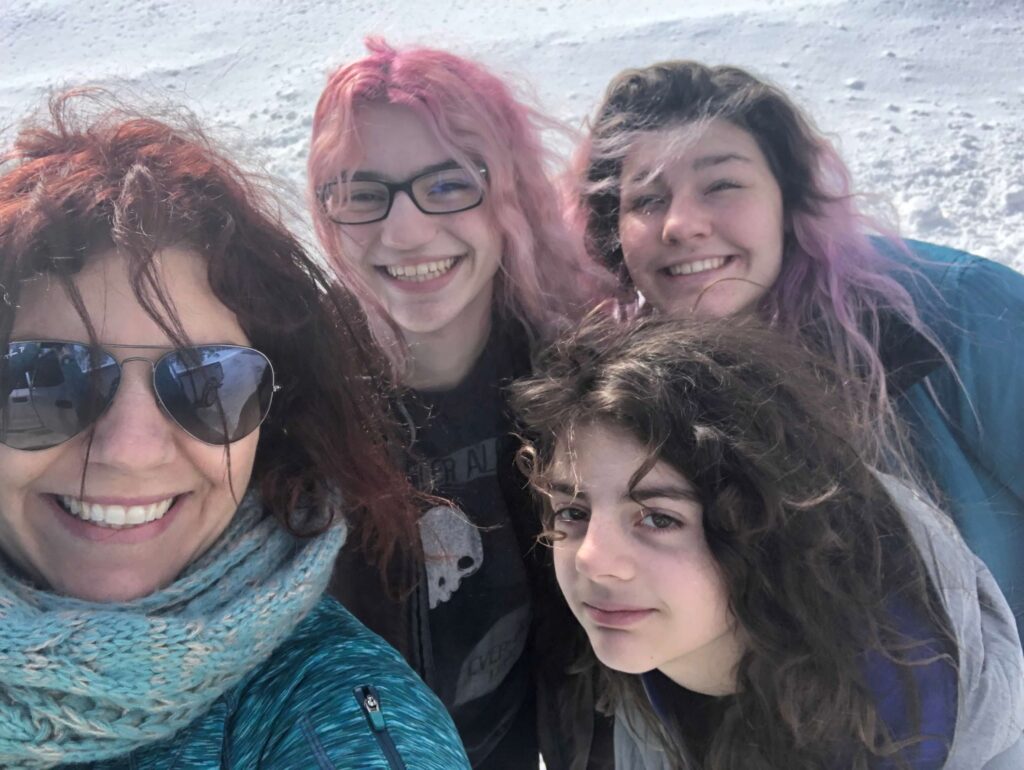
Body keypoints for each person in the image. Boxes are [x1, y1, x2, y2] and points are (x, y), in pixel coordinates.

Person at [0, 91, 470, 769]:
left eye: (209, 385)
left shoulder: (334, 712)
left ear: (271, 419)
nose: (131, 450)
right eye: (47, 379)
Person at [575, 60, 1024, 623]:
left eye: (722, 185)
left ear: (789, 201)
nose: (681, 224)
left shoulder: (955, 310)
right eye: (646, 200)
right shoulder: (628, 384)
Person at [510, 314, 1024, 769]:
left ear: (765, 528)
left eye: (659, 519)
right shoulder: (660, 656)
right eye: (573, 512)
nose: (593, 559)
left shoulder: (912, 725)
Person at [307, 38, 613, 769]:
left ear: (508, 192)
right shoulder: (292, 402)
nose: (405, 231)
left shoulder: (577, 379)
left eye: (447, 185)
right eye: (362, 192)